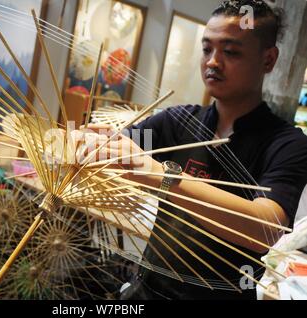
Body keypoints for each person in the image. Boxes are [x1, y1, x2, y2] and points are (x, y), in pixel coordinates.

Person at [82, 0, 307, 299]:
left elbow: (265, 229)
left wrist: (159, 174)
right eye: (206, 49)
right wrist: (91, 143)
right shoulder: (177, 124)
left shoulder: (286, 144)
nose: (213, 61)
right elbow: (122, 147)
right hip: (147, 291)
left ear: (268, 60)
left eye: (230, 51)